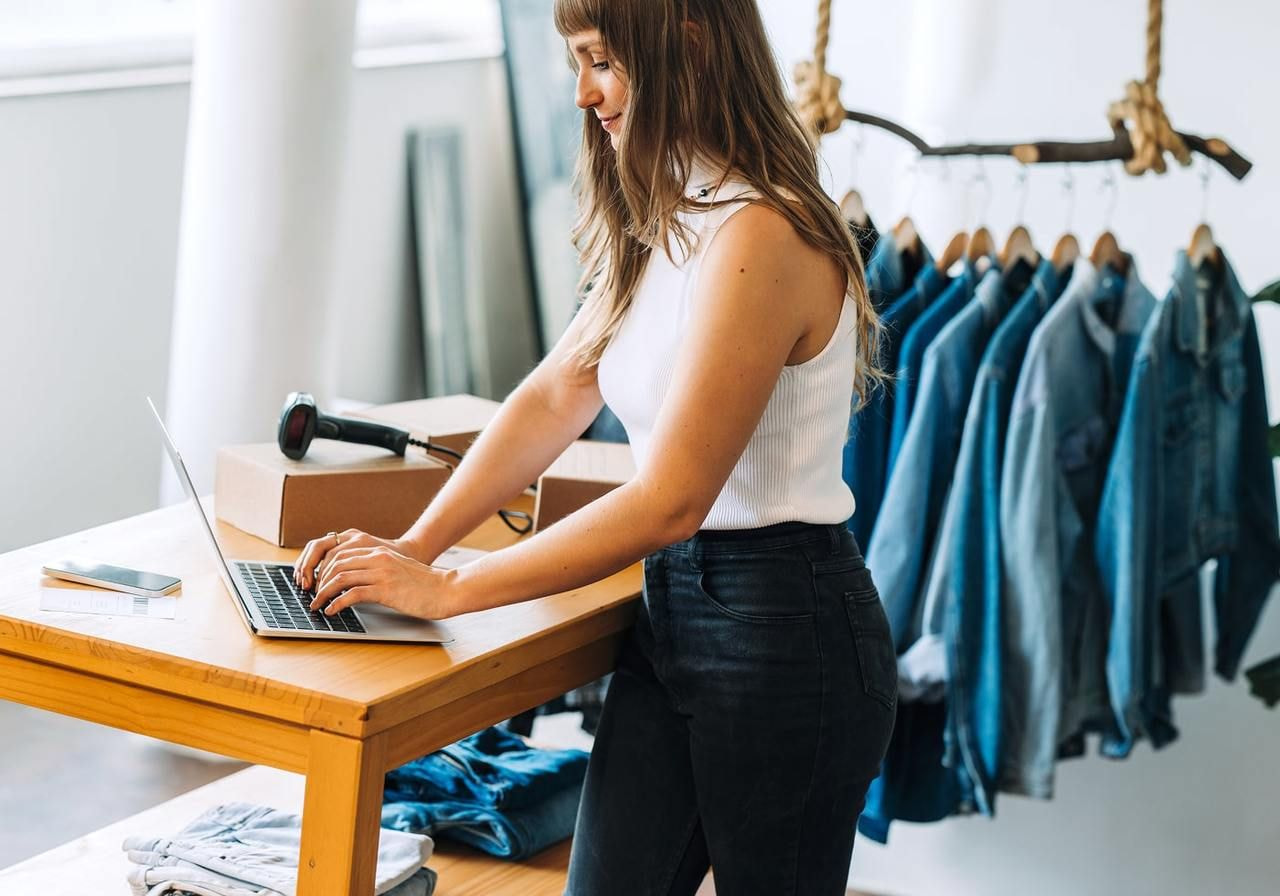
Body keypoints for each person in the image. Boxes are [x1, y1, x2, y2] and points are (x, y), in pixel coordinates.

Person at [295, 0, 897, 892]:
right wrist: (412, 548)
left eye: (602, 61)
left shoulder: (763, 232)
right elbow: (550, 398)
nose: (583, 93)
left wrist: (451, 588)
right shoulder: (671, 220)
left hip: (786, 630)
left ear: (685, 44)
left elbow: (670, 498)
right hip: (674, 613)